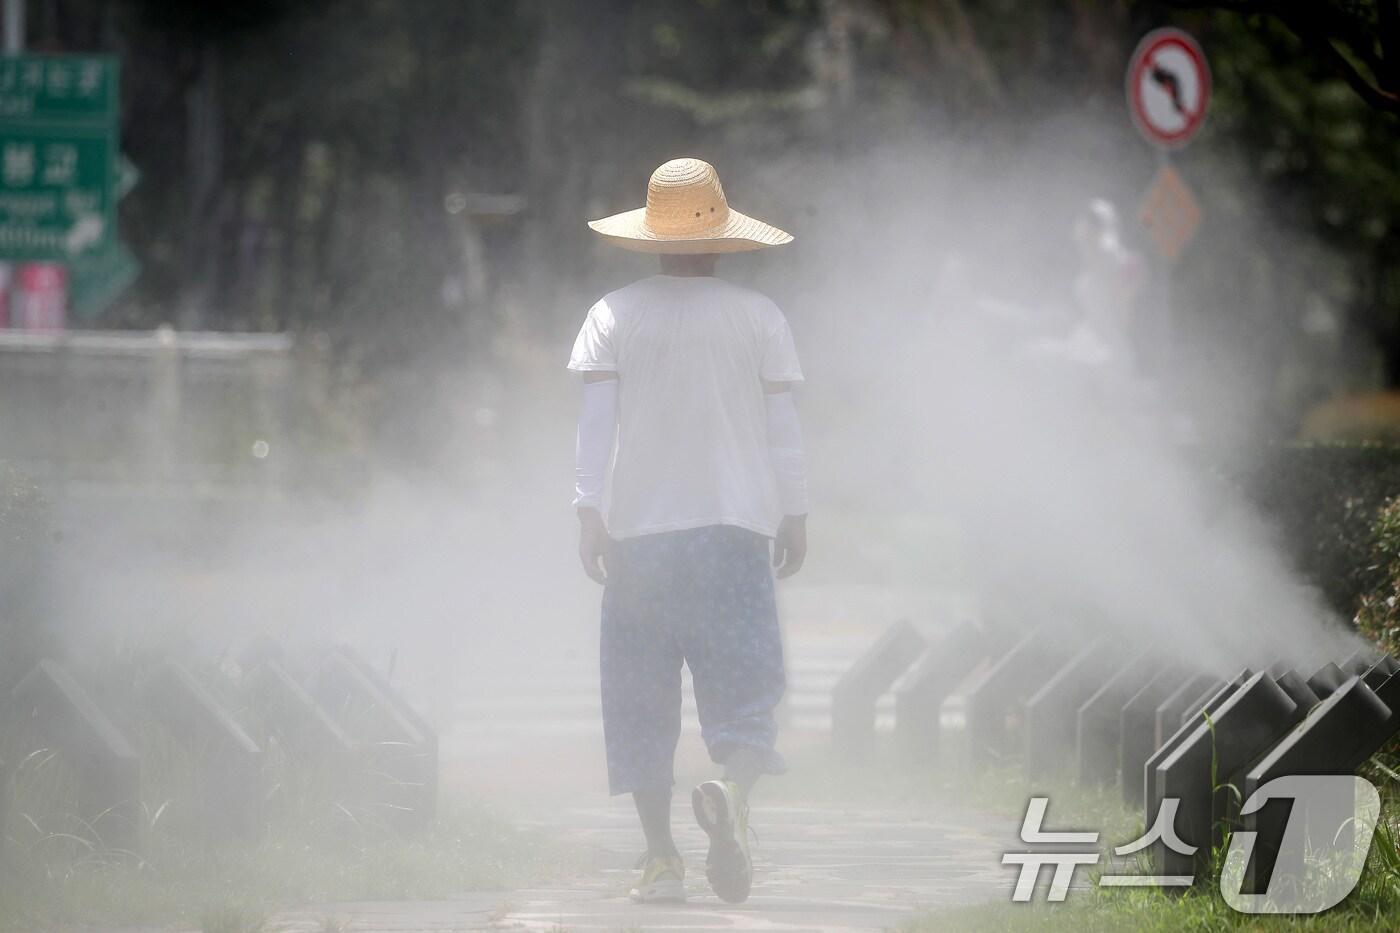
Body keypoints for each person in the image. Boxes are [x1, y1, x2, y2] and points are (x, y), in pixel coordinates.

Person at [568, 157, 809, 905]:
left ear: (653, 237)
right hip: (733, 534)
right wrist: (794, 509)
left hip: (641, 538)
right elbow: (783, 431)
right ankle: (731, 797)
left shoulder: (613, 313)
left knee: (641, 700)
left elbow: (595, 425)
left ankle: (661, 859)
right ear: (720, 239)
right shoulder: (759, 318)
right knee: (744, 692)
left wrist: (588, 507)